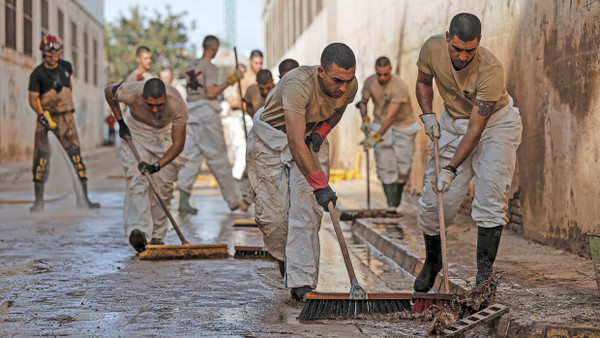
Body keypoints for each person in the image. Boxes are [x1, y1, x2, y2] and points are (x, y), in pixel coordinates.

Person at [414, 13, 522, 291]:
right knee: (434, 203)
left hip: (494, 126)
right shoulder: (432, 48)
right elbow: (424, 82)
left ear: (479, 43)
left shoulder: (490, 70)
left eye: (470, 50)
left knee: (490, 198)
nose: (462, 57)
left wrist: (450, 169)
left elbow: (476, 130)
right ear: (447, 37)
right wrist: (427, 115)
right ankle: (432, 262)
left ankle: (483, 277)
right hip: (451, 123)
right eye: (457, 49)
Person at [246, 43, 358, 300]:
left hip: (307, 137)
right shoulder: (298, 84)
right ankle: (285, 256)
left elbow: (339, 109)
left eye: (348, 80)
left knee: (307, 211)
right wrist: (321, 185)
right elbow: (295, 142)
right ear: (321, 72)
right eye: (337, 80)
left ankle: (302, 281)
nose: (343, 87)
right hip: (270, 139)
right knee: (273, 219)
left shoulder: (350, 85)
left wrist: (321, 132)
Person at [104, 78, 188, 252]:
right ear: (142, 98)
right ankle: (139, 232)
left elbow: (178, 144)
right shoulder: (130, 91)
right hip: (136, 131)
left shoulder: (177, 102)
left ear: (166, 98)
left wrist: (157, 165)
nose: (155, 109)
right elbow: (108, 91)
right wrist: (120, 122)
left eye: (160, 105)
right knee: (137, 180)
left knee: (163, 186)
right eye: (150, 105)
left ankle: (157, 235)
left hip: (164, 135)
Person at [27, 34, 100, 212]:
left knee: (76, 159)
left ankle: (84, 200)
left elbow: (69, 89)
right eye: (50, 55)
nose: (54, 58)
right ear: (43, 54)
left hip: (67, 119)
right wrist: (42, 114)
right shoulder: (37, 74)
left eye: (57, 54)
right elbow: (33, 98)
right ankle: (39, 202)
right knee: (41, 161)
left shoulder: (66, 67)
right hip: (46, 120)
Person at [177, 35, 244, 214]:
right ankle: (234, 200)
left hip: (191, 114)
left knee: (191, 157)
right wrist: (231, 79)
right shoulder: (211, 67)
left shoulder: (191, 65)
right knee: (218, 157)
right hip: (206, 115)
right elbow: (211, 92)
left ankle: (183, 200)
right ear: (214, 48)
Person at [358, 56, 420, 209]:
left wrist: (375, 138)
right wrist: (365, 119)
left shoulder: (399, 86)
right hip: (380, 123)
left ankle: (396, 198)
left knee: (403, 168)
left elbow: (391, 116)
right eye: (379, 74)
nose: (382, 78)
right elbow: (363, 102)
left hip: (403, 125)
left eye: (385, 74)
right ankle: (391, 206)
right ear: (376, 71)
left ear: (390, 71)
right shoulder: (370, 82)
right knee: (385, 166)